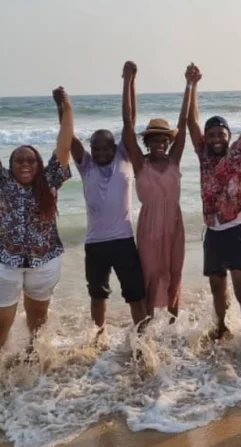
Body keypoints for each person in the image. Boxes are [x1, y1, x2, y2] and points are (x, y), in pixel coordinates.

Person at [187, 65, 241, 363]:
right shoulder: (204, 155)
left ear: (228, 136)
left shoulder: (240, 153)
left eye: (220, 133)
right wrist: (192, 86)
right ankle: (221, 328)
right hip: (212, 233)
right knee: (217, 286)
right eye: (211, 134)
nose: (215, 137)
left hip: (236, 230)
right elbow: (191, 120)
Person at [0, 87, 73, 359]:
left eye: (30, 160)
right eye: (18, 160)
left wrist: (66, 107)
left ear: (39, 164)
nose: (24, 164)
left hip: (44, 263)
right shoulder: (1, 181)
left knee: (37, 326)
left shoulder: (49, 181)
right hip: (3, 264)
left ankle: (31, 374)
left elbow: (64, 145)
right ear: (10, 164)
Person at [70, 65, 147, 337]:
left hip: (123, 240)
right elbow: (69, 137)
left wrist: (128, 81)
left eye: (106, 147)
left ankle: (141, 338)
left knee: (135, 294)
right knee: (98, 294)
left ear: (114, 148)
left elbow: (130, 121)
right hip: (95, 244)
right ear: (91, 150)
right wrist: (64, 108)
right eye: (96, 148)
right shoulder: (86, 167)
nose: (101, 152)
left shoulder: (123, 159)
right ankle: (98, 338)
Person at [121, 61, 193, 319]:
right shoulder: (141, 164)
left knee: (174, 274)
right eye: (154, 140)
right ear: (147, 143)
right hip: (149, 227)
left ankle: (174, 330)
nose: (160, 143)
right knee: (150, 275)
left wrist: (189, 85)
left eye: (164, 139)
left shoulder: (174, 161)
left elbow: (184, 123)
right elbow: (128, 126)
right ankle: (147, 330)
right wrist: (128, 82)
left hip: (174, 224)